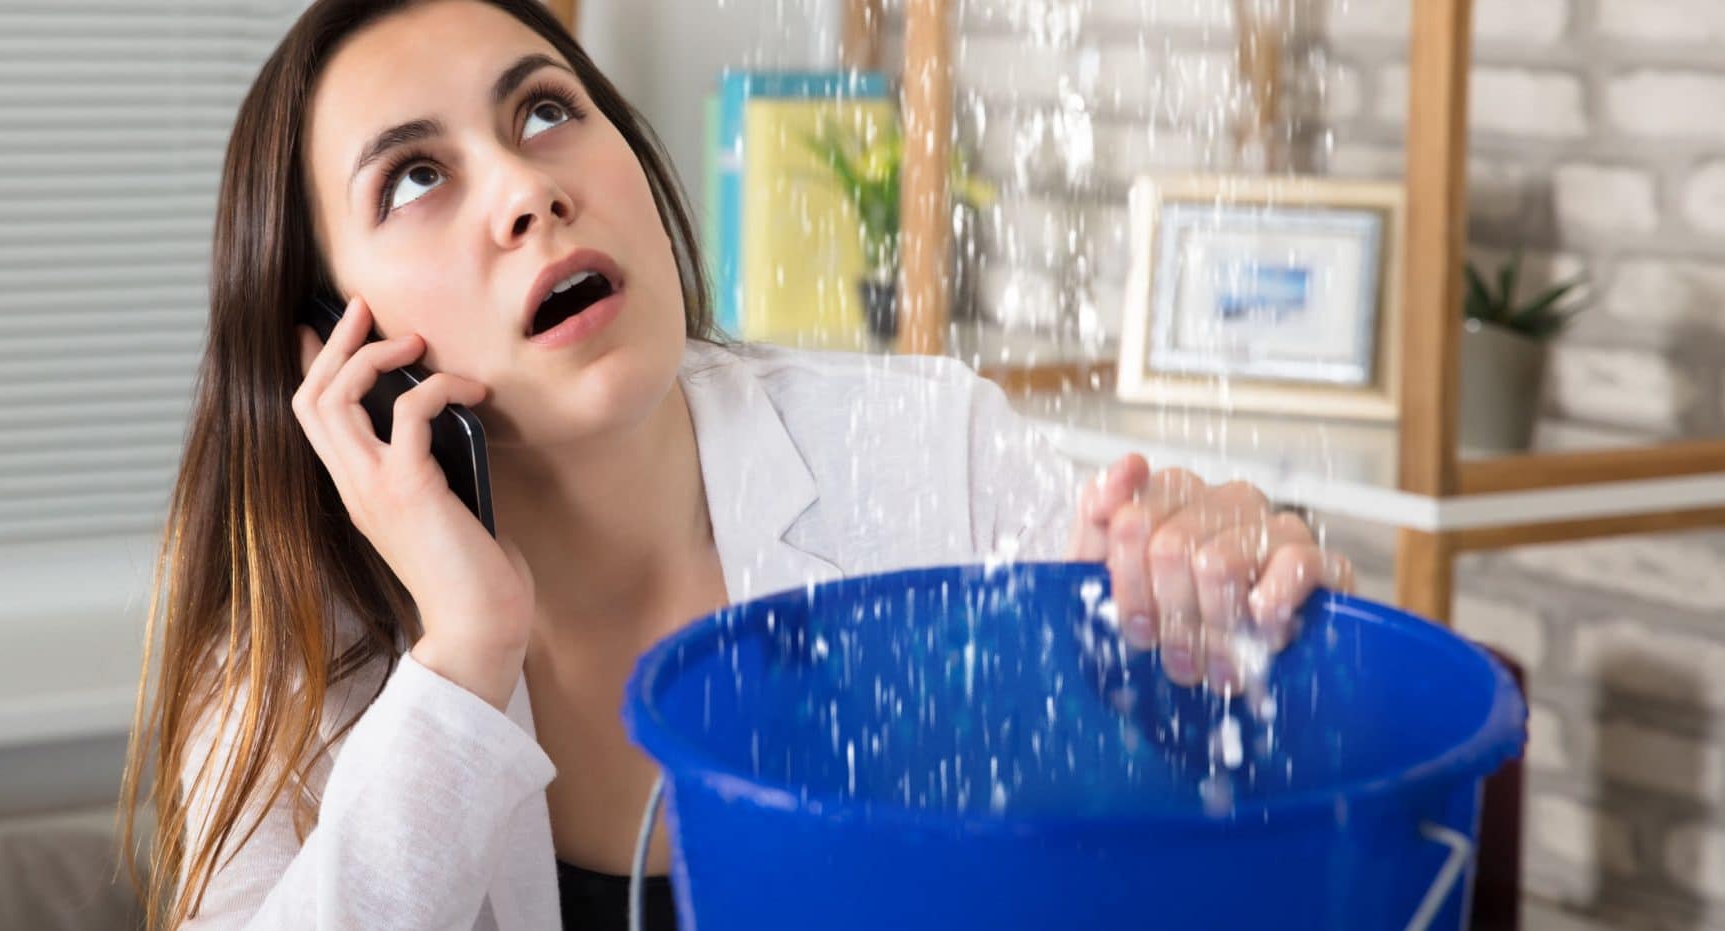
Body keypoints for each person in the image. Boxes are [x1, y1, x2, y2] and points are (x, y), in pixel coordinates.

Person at [115, 1, 1357, 928]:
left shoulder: (928, 452)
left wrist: (1222, 604)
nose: (526, 190)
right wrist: (462, 651)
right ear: (331, 348)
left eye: (544, 110)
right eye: (416, 177)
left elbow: (1239, 779)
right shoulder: (280, 676)